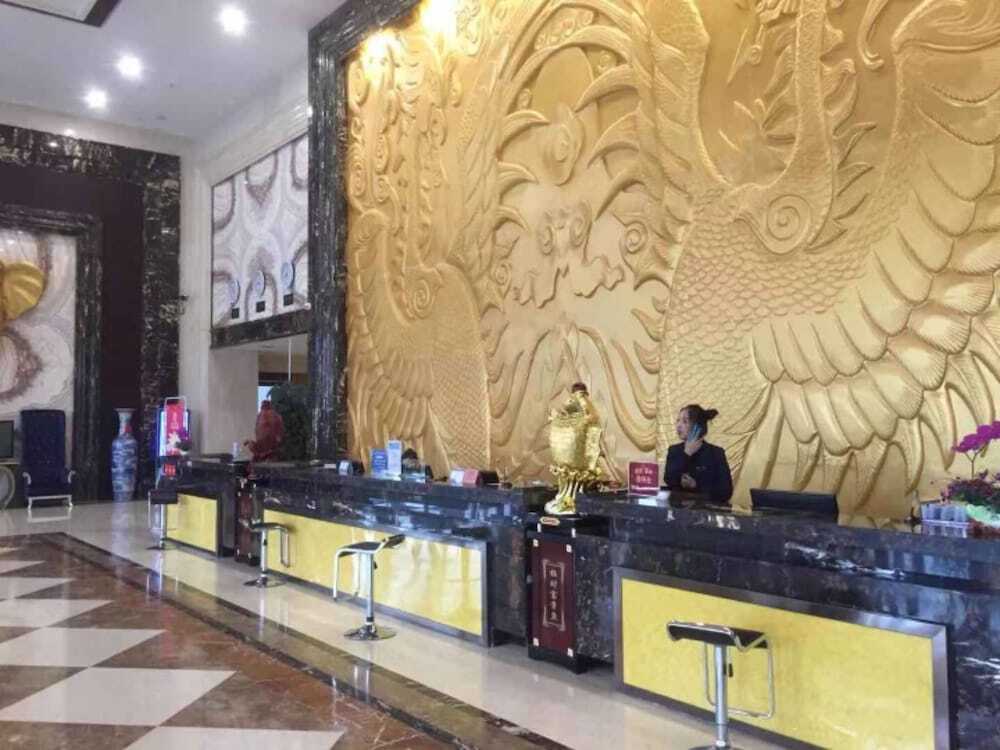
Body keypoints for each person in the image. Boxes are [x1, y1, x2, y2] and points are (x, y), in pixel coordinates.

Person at [663, 404, 733, 504]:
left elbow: (726, 492)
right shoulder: (674, 450)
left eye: (685, 421)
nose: (678, 425)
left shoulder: (716, 453)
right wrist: (686, 454)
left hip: (706, 510)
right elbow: (669, 479)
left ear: (697, 426)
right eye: (678, 420)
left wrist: (696, 485)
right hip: (678, 510)